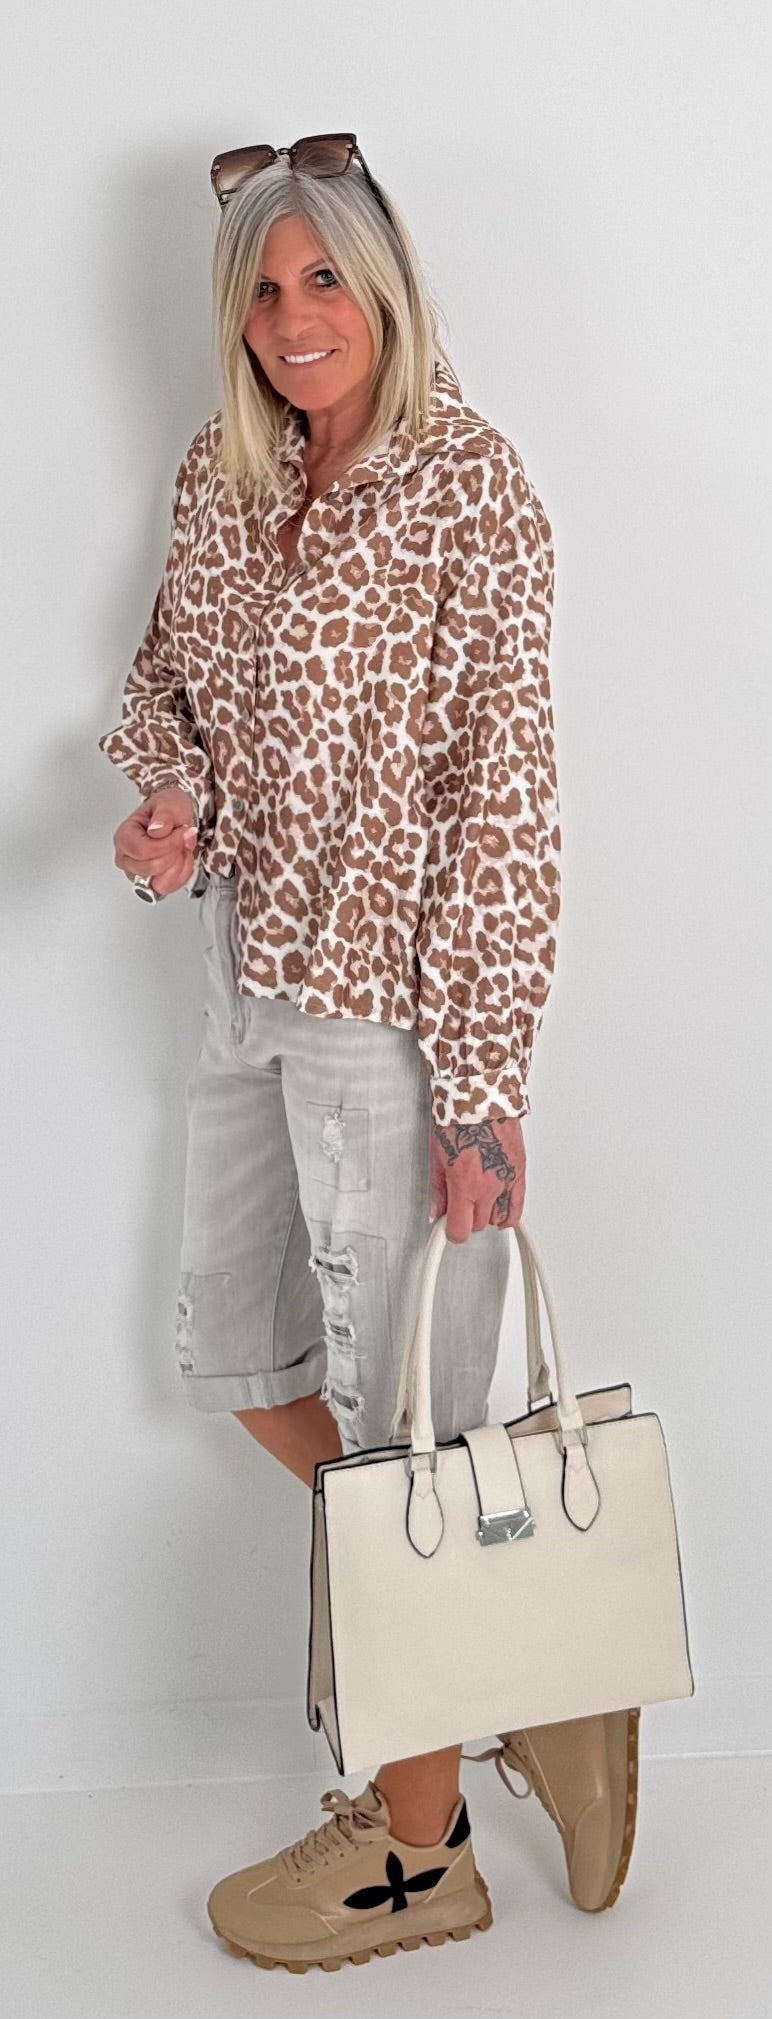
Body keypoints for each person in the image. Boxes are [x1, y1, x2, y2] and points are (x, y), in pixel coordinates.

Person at [98, 132, 638, 1976]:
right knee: (242, 1362)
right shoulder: (222, 473)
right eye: (262, 288)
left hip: (398, 1023)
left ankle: (423, 1850)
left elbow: (507, 803)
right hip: (245, 987)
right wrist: (169, 802)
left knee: (413, 1446)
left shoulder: (471, 488)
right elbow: (163, 683)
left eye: (324, 277)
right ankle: (524, 1674)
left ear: (386, 288)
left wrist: (482, 1085)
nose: (291, 318)